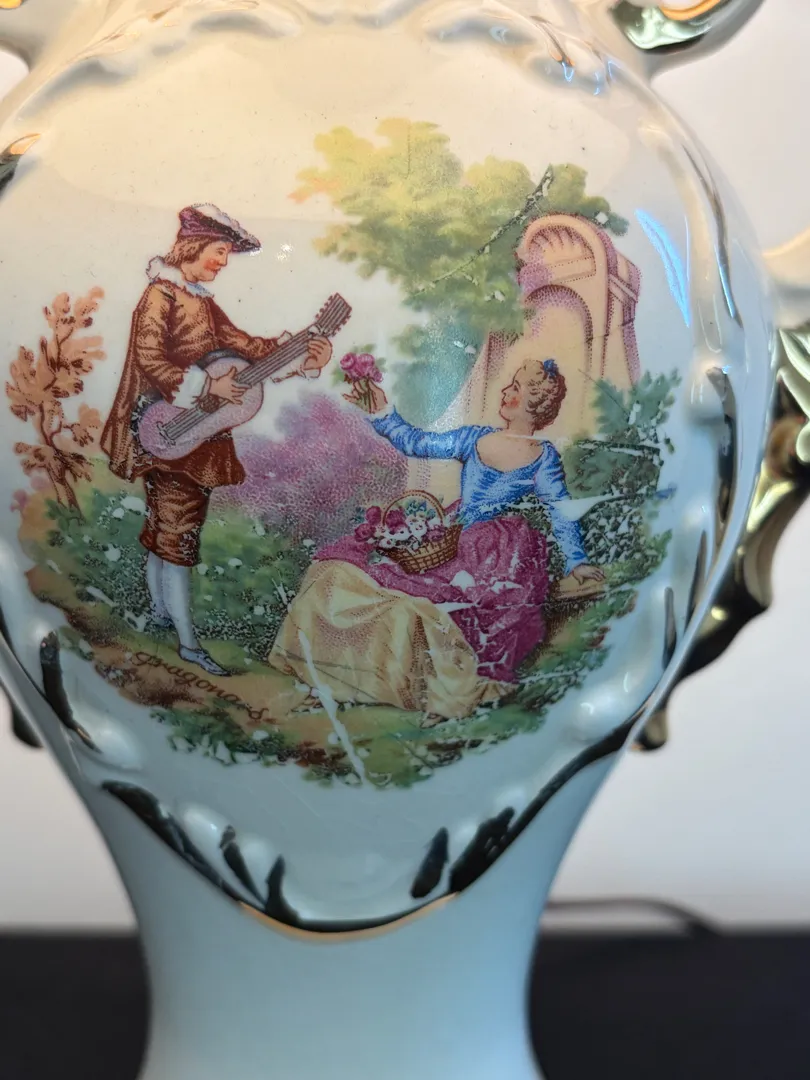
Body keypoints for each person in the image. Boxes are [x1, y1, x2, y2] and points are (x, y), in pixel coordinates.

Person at [269, 353, 603, 721]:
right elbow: (418, 442)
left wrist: (577, 562)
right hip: (452, 533)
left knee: (440, 609)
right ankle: (334, 679)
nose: (505, 392)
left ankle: (438, 691)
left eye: (515, 387)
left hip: (494, 551)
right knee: (362, 583)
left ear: (533, 402)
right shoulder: (474, 438)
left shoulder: (543, 457)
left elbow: (561, 510)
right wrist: (382, 413)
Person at [101, 204, 333, 676]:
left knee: (167, 525)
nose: (224, 262)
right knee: (178, 533)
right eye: (220, 251)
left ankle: (160, 614)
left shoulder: (202, 302)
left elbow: (245, 344)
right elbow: (149, 356)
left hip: (196, 433)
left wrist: (301, 352)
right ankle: (188, 644)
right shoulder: (160, 295)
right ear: (194, 246)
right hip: (165, 425)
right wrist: (204, 386)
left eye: (226, 253)